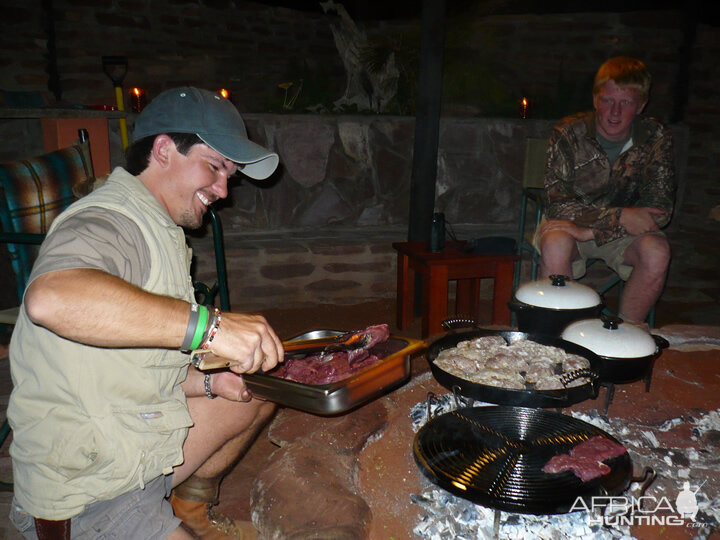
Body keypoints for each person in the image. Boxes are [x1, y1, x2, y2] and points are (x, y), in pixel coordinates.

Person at [8, 87, 284, 539]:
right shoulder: (110, 220)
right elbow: (51, 297)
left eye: (230, 176)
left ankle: (189, 510)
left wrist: (210, 381)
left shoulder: (161, 228)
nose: (223, 190)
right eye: (215, 167)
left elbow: (139, 365)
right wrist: (210, 327)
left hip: (137, 451)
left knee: (261, 389)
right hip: (91, 497)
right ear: (162, 150)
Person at [536, 57, 675, 324]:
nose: (614, 112)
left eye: (626, 103)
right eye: (607, 100)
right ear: (595, 99)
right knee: (554, 243)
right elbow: (557, 204)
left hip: (617, 233)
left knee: (657, 251)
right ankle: (559, 334)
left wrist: (592, 231)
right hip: (570, 225)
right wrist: (621, 216)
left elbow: (660, 210)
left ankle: (627, 334)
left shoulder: (655, 136)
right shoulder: (568, 133)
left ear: (641, 105)